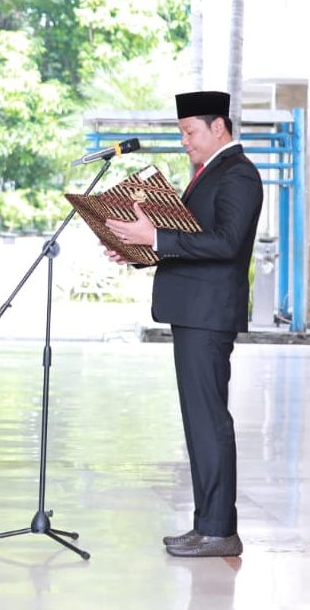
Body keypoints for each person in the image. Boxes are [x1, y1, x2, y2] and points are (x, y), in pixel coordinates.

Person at [105, 90, 262, 558]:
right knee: (198, 423)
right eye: (181, 133)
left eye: (190, 132)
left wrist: (155, 235)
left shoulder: (238, 174)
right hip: (193, 311)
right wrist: (139, 249)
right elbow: (192, 243)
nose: (185, 141)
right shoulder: (209, 174)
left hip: (208, 315)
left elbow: (227, 243)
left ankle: (220, 530)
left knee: (210, 422)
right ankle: (207, 523)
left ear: (219, 128)